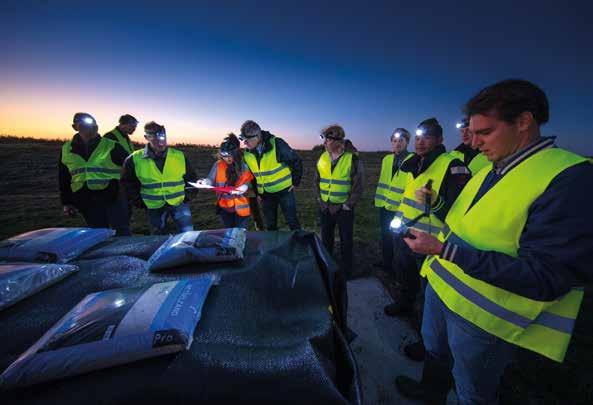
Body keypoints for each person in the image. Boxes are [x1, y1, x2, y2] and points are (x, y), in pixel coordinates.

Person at [395, 79, 593, 404]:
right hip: (442, 289)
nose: (474, 143)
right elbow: (470, 224)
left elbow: (545, 277)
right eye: (472, 133)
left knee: (472, 390)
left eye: (484, 132)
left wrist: (445, 250)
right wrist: (435, 209)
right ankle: (428, 394)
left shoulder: (568, 179)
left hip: (483, 319)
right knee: (435, 353)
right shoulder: (494, 167)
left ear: (524, 122)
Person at [384, 118, 471, 365]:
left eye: (427, 138)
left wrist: (437, 202)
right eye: (418, 137)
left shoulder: (453, 166)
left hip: (430, 243)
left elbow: (460, 211)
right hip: (406, 235)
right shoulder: (415, 164)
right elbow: (409, 199)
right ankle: (404, 304)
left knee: (429, 296)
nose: (421, 142)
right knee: (405, 276)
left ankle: (428, 343)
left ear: (440, 140)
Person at [59, 112, 131, 236]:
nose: (90, 127)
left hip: (112, 196)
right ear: (75, 127)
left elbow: (131, 168)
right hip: (85, 198)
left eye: (93, 124)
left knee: (121, 231)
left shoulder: (111, 146)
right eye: (83, 124)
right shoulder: (66, 149)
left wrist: (130, 193)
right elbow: (64, 177)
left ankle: (127, 254)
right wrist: (67, 202)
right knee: (97, 234)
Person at [120, 121, 196, 234]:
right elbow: (127, 183)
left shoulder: (179, 156)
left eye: (162, 138)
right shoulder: (134, 159)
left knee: (187, 233)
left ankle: (186, 251)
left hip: (179, 203)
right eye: (154, 138)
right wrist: (138, 201)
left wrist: (188, 196)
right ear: (146, 137)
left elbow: (191, 178)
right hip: (153, 206)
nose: (160, 143)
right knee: (158, 236)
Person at [313, 125, 365, 278]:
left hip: (343, 210)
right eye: (324, 139)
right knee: (326, 239)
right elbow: (316, 180)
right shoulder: (322, 157)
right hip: (325, 208)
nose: (324, 143)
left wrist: (348, 205)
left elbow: (359, 185)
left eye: (327, 140)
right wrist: (319, 199)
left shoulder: (352, 159)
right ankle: (327, 267)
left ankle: (347, 271)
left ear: (338, 141)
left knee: (346, 241)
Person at [240, 120, 303, 230]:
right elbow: (253, 176)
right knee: (270, 224)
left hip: (285, 191)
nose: (245, 143)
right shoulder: (247, 154)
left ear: (258, 136)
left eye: (247, 140)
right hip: (266, 195)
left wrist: (296, 182)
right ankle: (273, 246)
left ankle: (300, 244)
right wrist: (257, 193)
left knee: (292, 221)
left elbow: (296, 161)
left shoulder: (277, 144)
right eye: (243, 139)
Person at [374, 128, 414, 277]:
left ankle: (400, 271)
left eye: (401, 141)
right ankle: (387, 264)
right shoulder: (386, 159)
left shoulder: (413, 160)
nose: (397, 144)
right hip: (384, 205)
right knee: (385, 236)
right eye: (395, 141)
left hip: (400, 208)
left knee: (400, 241)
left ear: (407, 142)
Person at [197, 133, 254, 228]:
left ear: (236, 152)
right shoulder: (218, 165)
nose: (227, 158)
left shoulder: (244, 165)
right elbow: (210, 179)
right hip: (225, 209)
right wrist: (205, 182)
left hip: (241, 209)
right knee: (228, 234)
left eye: (230, 155)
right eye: (224, 155)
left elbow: (249, 183)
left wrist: (245, 187)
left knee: (240, 234)